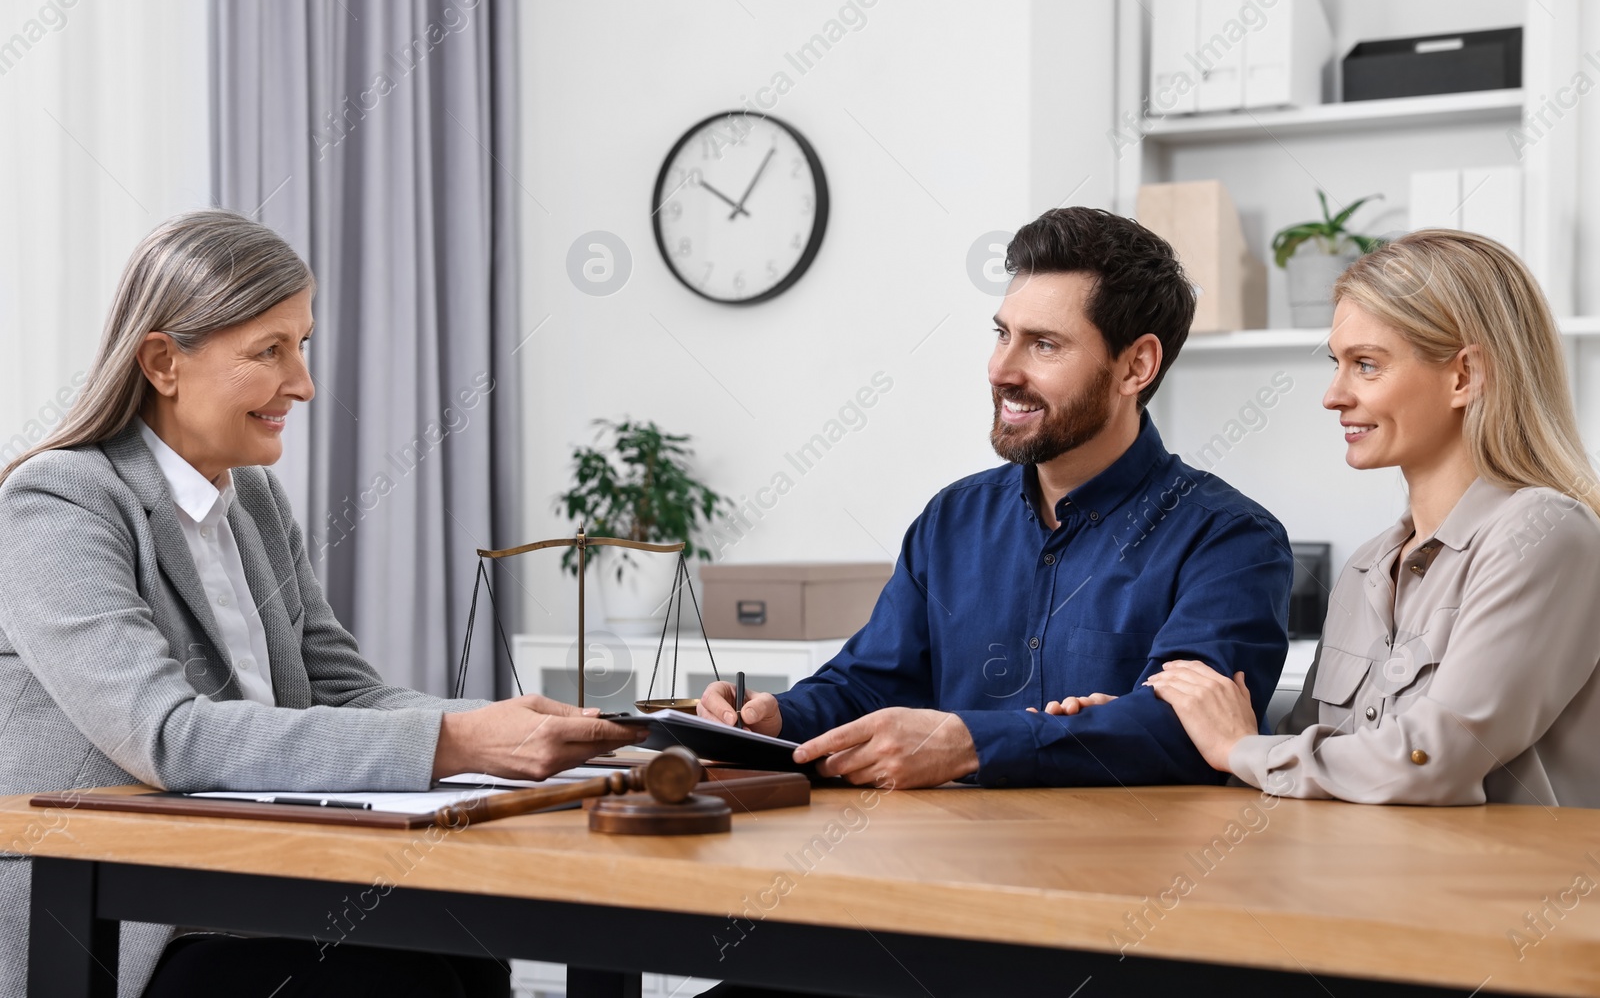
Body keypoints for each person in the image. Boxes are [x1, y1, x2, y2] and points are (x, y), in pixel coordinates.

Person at [0, 210, 646, 997]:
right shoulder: (59, 501)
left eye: (300, 345)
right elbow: (167, 735)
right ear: (163, 361)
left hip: (253, 883)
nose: (302, 383)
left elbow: (351, 690)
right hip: (122, 919)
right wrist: (464, 742)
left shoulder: (256, 501)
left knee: (469, 955)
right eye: (270, 351)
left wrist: (532, 730)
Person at [698, 206, 1294, 790]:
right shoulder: (952, 520)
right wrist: (777, 716)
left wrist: (967, 743)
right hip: (953, 866)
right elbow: (872, 685)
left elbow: (1186, 730)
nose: (1001, 369)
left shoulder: (1230, 539)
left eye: (1044, 345)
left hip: (1138, 877)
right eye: (1003, 334)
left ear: (1136, 365)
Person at [1133, 229, 1600, 806]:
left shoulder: (1546, 532)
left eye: (1367, 365)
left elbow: (1431, 759)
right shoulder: (1366, 568)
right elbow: (1303, 757)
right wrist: (1140, 733)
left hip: (1499, 893)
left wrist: (1238, 748)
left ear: (1464, 377)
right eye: (1338, 363)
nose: (1333, 395)